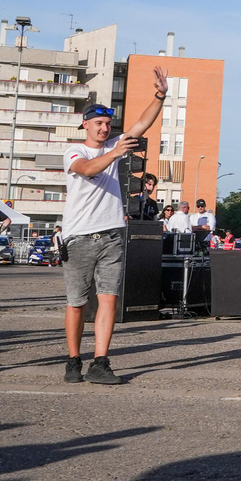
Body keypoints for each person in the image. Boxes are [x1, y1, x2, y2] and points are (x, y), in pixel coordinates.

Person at [60, 65, 167, 385]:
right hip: (78, 236)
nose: (105, 128)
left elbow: (142, 123)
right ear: (86, 125)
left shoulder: (116, 145)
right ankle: (73, 359)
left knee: (108, 298)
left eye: (108, 123)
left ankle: (101, 361)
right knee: (77, 302)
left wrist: (160, 95)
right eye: (98, 123)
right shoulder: (74, 150)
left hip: (112, 233)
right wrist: (116, 152)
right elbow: (87, 168)